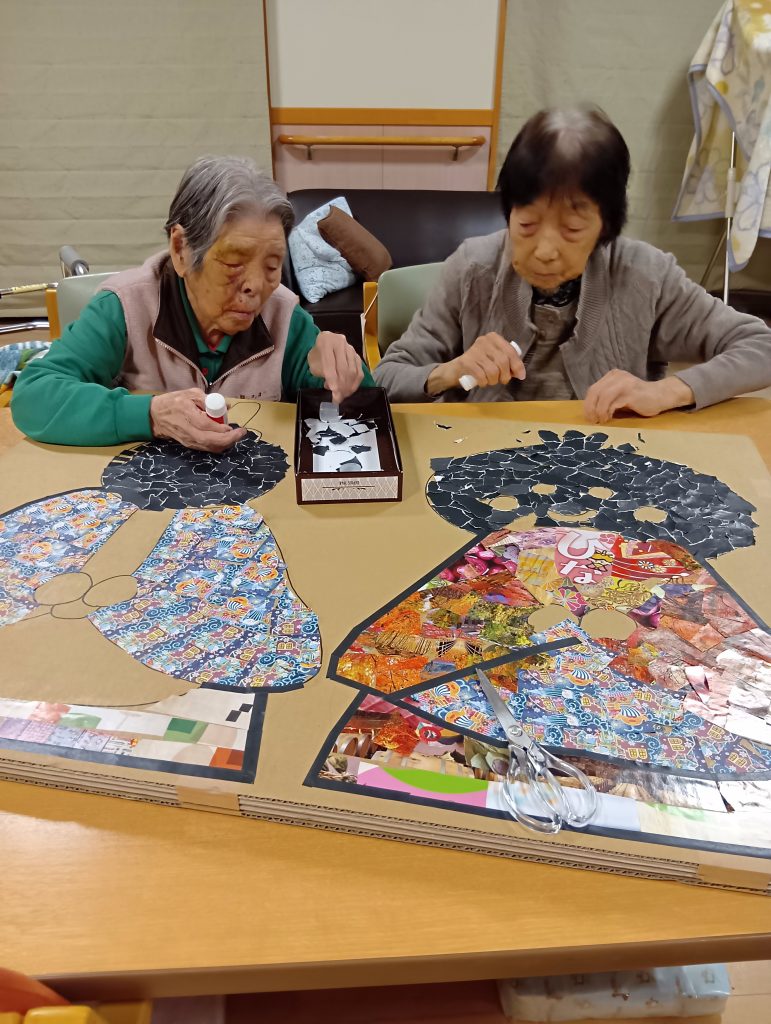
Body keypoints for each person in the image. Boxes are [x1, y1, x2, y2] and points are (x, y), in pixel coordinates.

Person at [373, 107, 771, 421]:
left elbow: (761, 346)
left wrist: (666, 391)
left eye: (572, 229)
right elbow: (385, 378)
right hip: (479, 463)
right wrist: (450, 370)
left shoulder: (645, 275)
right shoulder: (472, 268)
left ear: (606, 225)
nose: (545, 250)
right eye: (527, 225)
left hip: (607, 467)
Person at [12, 156, 373, 451]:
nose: (255, 287)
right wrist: (150, 414)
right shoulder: (125, 306)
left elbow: (364, 414)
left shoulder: (284, 317)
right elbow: (34, 396)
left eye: (272, 266)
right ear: (181, 250)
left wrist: (339, 369)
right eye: (234, 263)